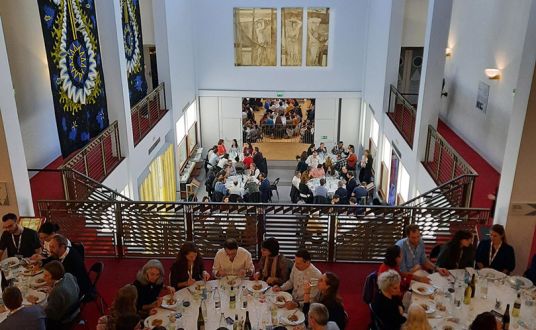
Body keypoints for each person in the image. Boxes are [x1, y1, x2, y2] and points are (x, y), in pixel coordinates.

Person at [42, 234, 91, 298]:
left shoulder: (73, 260)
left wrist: (55, 289)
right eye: (50, 246)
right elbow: (52, 258)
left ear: (62, 246)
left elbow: (69, 281)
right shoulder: (60, 252)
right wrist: (41, 262)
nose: (50, 250)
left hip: (77, 290)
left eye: (53, 247)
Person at [43, 260, 80, 327]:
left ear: (54, 276)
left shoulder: (57, 291)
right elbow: (77, 289)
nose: (44, 278)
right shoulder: (68, 275)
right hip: (75, 310)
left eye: (46, 275)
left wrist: (36, 305)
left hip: (64, 319)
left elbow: (50, 314)